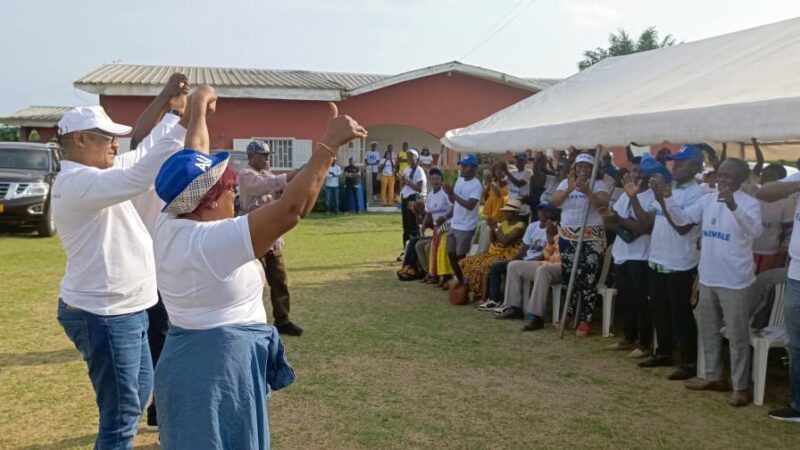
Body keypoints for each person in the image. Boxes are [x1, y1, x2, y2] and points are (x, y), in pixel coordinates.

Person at [153, 100, 367, 448]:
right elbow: (292, 209)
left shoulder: (169, 222)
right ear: (210, 200)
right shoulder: (209, 242)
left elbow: (194, 153)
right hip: (217, 370)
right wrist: (329, 144)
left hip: (191, 361)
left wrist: (199, 107)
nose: (235, 199)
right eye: (230, 192)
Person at [53, 92, 189, 447]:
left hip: (125, 309)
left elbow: (144, 153)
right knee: (120, 417)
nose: (115, 144)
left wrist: (175, 115)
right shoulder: (78, 183)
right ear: (80, 139)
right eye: (107, 137)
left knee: (136, 395)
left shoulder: (97, 175)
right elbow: (140, 175)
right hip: (105, 313)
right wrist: (186, 125)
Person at [656, 158, 762, 407]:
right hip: (708, 277)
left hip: (735, 280)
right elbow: (682, 220)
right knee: (708, 330)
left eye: (727, 176)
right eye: (720, 174)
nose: (721, 179)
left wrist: (734, 206)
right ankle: (714, 377)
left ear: (741, 178)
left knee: (737, 336)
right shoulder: (707, 200)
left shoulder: (750, 203)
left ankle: (740, 387)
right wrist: (668, 199)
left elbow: (755, 232)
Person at [126, 72, 191, 431]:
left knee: (152, 341)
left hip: (143, 266)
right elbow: (142, 136)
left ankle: (151, 410)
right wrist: (184, 109)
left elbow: (140, 135)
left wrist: (167, 99)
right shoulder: (169, 170)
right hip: (161, 265)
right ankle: (159, 411)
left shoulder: (135, 166)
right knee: (164, 341)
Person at [634, 145, 705, 380]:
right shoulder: (669, 187)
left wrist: (663, 199)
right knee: (659, 308)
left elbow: (682, 227)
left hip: (680, 261)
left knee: (681, 312)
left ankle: (689, 362)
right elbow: (654, 220)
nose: (675, 166)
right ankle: (663, 352)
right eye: (675, 162)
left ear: (695, 168)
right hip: (657, 257)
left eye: (682, 163)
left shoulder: (698, 194)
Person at [239, 139, 304, 337]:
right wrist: (295, 174)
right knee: (252, 282)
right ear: (252, 157)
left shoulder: (268, 174)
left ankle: (282, 320)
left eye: (268, 155)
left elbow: (280, 189)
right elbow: (265, 186)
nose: (268, 159)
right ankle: (250, 321)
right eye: (264, 155)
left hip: (272, 236)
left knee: (279, 280)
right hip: (254, 234)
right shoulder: (246, 174)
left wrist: (301, 177)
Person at [755, 168, 800, 421]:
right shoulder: (797, 180)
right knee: (795, 344)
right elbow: (765, 191)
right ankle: (797, 404)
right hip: (796, 274)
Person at [549, 153, 609, 337]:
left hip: (591, 236)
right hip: (568, 235)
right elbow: (554, 202)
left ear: (593, 169)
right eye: (580, 166)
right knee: (569, 276)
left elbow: (603, 205)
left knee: (588, 278)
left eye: (587, 167)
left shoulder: (599, 184)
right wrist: (570, 189)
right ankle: (568, 314)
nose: (583, 170)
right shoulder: (565, 183)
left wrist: (588, 191)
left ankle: (585, 319)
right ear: (574, 168)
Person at [604, 157, 656, 358]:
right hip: (621, 252)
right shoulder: (624, 195)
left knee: (640, 300)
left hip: (641, 255)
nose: (636, 175)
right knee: (626, 298)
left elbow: (645, 227)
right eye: (633, 171)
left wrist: (620, 220)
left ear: (649, 174)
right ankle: (628, 338)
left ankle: (644, 343)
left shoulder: (652, 196)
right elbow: (612, 221)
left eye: (640, 171)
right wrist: (615, 219)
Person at [493, 204, 557, 317]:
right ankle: (513, 307)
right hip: (527, 260)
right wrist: (513, 260)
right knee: (511, 265)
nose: (543, 213)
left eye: (546, 210)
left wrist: (529, 261)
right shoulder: (532, 226)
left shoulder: (555, 228)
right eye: (540, 210)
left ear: (552, 213)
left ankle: (535, 314)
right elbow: (523, 249)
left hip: (543, 263)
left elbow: (548, 254)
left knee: (513, 265)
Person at [460, 199, 526, 304]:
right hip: (495, 252)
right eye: (504, 211)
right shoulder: (504, 223)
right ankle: (475, 292)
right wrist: (492, 228)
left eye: (507, 212)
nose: (504, 214)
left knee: (485, 265)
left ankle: (485, 297)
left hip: (508, 255)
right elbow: (493, 240)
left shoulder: (520, 226)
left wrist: (495, 227)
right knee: (468, 262)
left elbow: (506, 241)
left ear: (515, 213)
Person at [443, 155, 483, 288]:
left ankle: (467, 283)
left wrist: (453, 194)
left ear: (473, 168)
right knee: (450, 253)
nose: (462, 168)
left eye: (465, 166)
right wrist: (449, 193)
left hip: (466, 226)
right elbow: (453, 201)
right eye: (462, 166)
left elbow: (470, 205)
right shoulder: (460, 180)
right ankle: (461, 280)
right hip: (455, 223)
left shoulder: (476, 185)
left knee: (461, 256)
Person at [520, 215, 564, 331]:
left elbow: (567, 254)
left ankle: (536, 317)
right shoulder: (555, 232)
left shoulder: (571, 232)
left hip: (563, 267)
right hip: (549, 264)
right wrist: (551, 239)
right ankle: (513, 308)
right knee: (514, 266)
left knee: (543, 270)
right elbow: (547, 255)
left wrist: (556, 236)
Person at [753, 163, 793, 273]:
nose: (764, 178)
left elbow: (788, 233)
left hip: (770, 254)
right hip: (748, 250)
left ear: (780, 179)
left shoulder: (787, 201)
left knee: (764, 281)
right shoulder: (753, 194)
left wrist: (780, 259)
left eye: (770, 175)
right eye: (763, 174)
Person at [420, 168, 452, 284]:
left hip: (447, 226)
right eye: (432, 179)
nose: (435, 181)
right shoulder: (429, 196)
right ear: (429, 181)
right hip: (436, 228)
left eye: (437, 179)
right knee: (433, 251)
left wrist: (444, 218)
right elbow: (428, 213)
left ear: (441, 180)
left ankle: (446, 278)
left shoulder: (445, 193)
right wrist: (423, 226)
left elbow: (454, 209)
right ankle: (434, 276)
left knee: (441, 251)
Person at [399, 149, 427, 247]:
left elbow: (419, 188)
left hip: (415, 198)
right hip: (406, 198)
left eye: (411, 156)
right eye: (408, 156)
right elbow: (403, 186)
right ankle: (406, 248)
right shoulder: (406, 170)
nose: (409, 158)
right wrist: (402, 181)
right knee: (406, 226)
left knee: (414, 225)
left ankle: (416, 247)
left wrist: (406, 181)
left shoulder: (419, 170)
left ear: (417, 158)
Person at [502, 153, 532, 223]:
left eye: (519, 161)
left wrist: (507, 172)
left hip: (522, 210)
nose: (517, 162)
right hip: (511, 209)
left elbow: (519, 184)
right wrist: (498, 173)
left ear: (524, 162)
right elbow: (501, 185)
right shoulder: (512, 172)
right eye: (517, 160)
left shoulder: (528, 173)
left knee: (521, 227)